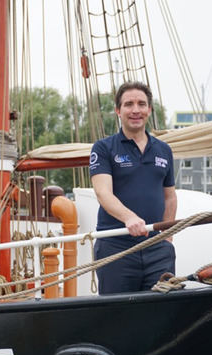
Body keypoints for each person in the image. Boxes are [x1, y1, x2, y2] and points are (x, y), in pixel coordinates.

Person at [90, 81, 177, 293]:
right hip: (115, 247)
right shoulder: (103, 148)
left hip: (157, 248)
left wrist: (167, 234)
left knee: (162, 311)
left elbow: (170, 197)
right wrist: (129, 217)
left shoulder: (164, 150)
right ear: (118, 110)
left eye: (141, 104)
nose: (135, 110)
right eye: (129, 104)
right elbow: (103, 192)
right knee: (117, 315)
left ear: (149, 109)